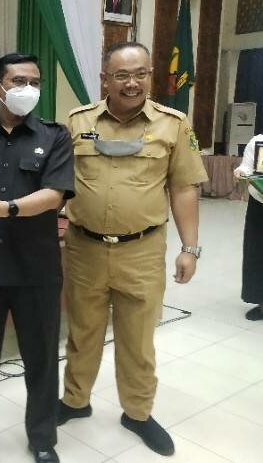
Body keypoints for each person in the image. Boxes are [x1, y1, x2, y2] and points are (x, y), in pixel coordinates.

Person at [58, 42, 208, 456]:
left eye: (141, 74)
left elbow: (183, 189)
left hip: (142, 250)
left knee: (138, 340)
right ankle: (75, 400)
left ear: (150, 76)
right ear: (105, 79)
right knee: (82, 332)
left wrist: (190, 248)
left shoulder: (173, 124)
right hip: (84, 248)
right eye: (122, 75)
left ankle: (138, 413)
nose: (132, 83)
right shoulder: (77, 122)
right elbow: (58, 184)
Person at [0, 53, 75, 463]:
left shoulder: (55, 136)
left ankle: (42, 439)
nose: (28, 89)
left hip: (35, 269)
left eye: (34, 82)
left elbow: (55, 195)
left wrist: (6, 208)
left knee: (41, 359)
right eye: (19, 81)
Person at [234, 134, 263, 320]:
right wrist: (241, 172)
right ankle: (261, 302)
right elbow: (246, 167)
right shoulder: (258, 141)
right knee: (258, 252)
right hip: (259, 205)